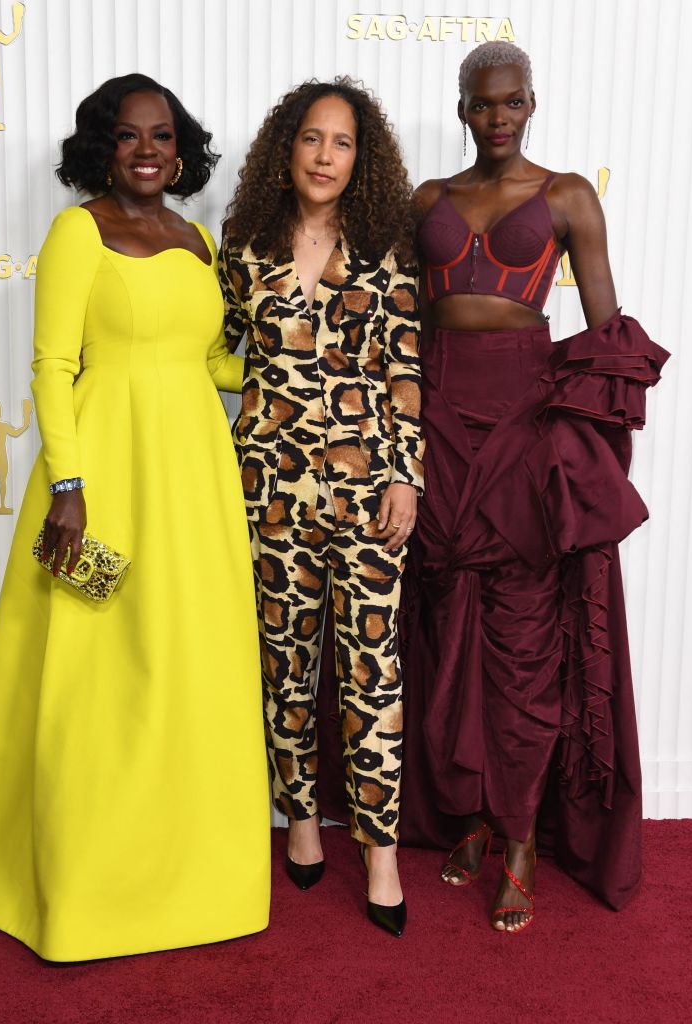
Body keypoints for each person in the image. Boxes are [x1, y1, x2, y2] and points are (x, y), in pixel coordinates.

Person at [0, 73, 271, 961]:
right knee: (95, 669)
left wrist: (288, 360)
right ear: (102, 147)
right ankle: (81, 875)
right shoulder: (79, 232)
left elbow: (208, 361)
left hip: (191, 476)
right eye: (128, 135)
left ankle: (189, 868)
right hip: (101, 474)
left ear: (182, 151)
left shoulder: (197, 240)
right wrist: (66, 485)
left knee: (188, 660)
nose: (147, 150)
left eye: (163, 135)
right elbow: (52, 365)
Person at [397, 41, 668, 933]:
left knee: (522, 643)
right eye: (482, 103)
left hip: (520, 431)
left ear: (532, 104)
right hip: (438, 427)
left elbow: (605, 331)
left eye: (512, 101)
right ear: (463, 109)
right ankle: (471, 814)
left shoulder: (568, 195)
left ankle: (519, 839)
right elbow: (401, 323)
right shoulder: (427, 199)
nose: (498, 117)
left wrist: (576, 449)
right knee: (447, 635)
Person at [219, 78, 423, 937]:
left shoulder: (387, 247)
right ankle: (300, 818)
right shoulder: (242, 247)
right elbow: (216, 354)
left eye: (342, 142)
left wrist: (406, 475)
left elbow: (404, 368)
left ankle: (381, 854)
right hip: (268, 488)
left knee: (373, 671)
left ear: (360, 159)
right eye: (311, 138)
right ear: (287, 148)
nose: (325, 156)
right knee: (285, 663)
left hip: (370, 492)